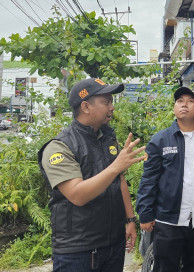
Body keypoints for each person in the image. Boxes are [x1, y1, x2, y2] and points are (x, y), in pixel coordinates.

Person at [38, 78, 146, 271]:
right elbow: (78, 195)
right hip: (77, 251)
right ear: (86, 106)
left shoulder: (107, 139)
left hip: (112, 244)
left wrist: (130, 220)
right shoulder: (60, 147)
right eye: (106, 102)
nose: (112, 107)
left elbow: (119, 180)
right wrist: (115, 167)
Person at [136, 86, 194, 272]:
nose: (184, 105)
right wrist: (145, 213)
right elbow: (149, 180)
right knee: (165, 267)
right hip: (169, 220)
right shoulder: (160, 140)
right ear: (174, 108)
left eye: (190, 101)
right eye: (180, 101)